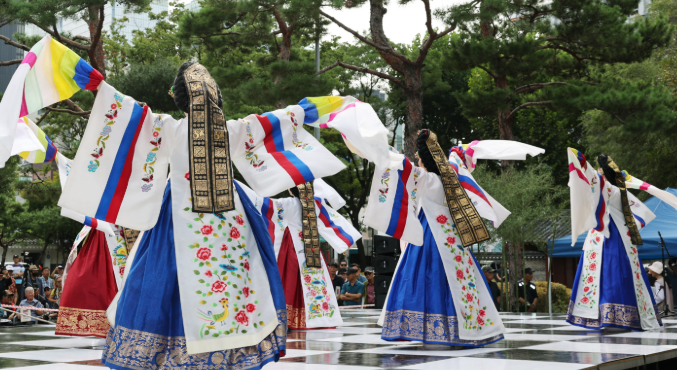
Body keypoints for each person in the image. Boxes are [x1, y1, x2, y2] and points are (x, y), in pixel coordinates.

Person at [0, 54, 357, 367]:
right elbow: (289, 115)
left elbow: (126, 112)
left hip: (177, 215)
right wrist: (324, 107)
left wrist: (95, 83)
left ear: (177, 98)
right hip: (232, 219)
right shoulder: (237, 129)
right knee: (238, 279)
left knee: (162, 282)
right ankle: (222, 349)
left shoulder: (169, 127)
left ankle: (168, 349)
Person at [318, 108, 540, 346]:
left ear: (424, 161)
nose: (417, 161)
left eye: (419, 158)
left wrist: (375, 143)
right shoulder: (453, 176)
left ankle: (424, 327)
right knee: (459, 281)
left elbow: (398, 166)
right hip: (454, 240)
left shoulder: (428, 179)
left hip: (429, 236)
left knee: (422, 279)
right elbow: (461, 155)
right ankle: (465, 327)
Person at [565, 150, 672, 331]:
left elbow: (591, 178)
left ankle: (609, 316)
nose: (598, 175)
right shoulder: (620, 191)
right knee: (623, 273)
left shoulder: (609, 189)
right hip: (621, 237)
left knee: (608, 272)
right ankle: (625, 315)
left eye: (600, 172)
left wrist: (581, 162)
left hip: (608, 236)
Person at [250, 180, 360, 329]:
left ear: (291, 190)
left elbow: (266, 207)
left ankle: (288, 318)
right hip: (312, 245)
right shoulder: (315, 204)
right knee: (314, 280)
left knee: (290, 279)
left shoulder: (288, 203)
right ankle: (320, 317)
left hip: (292, 244)